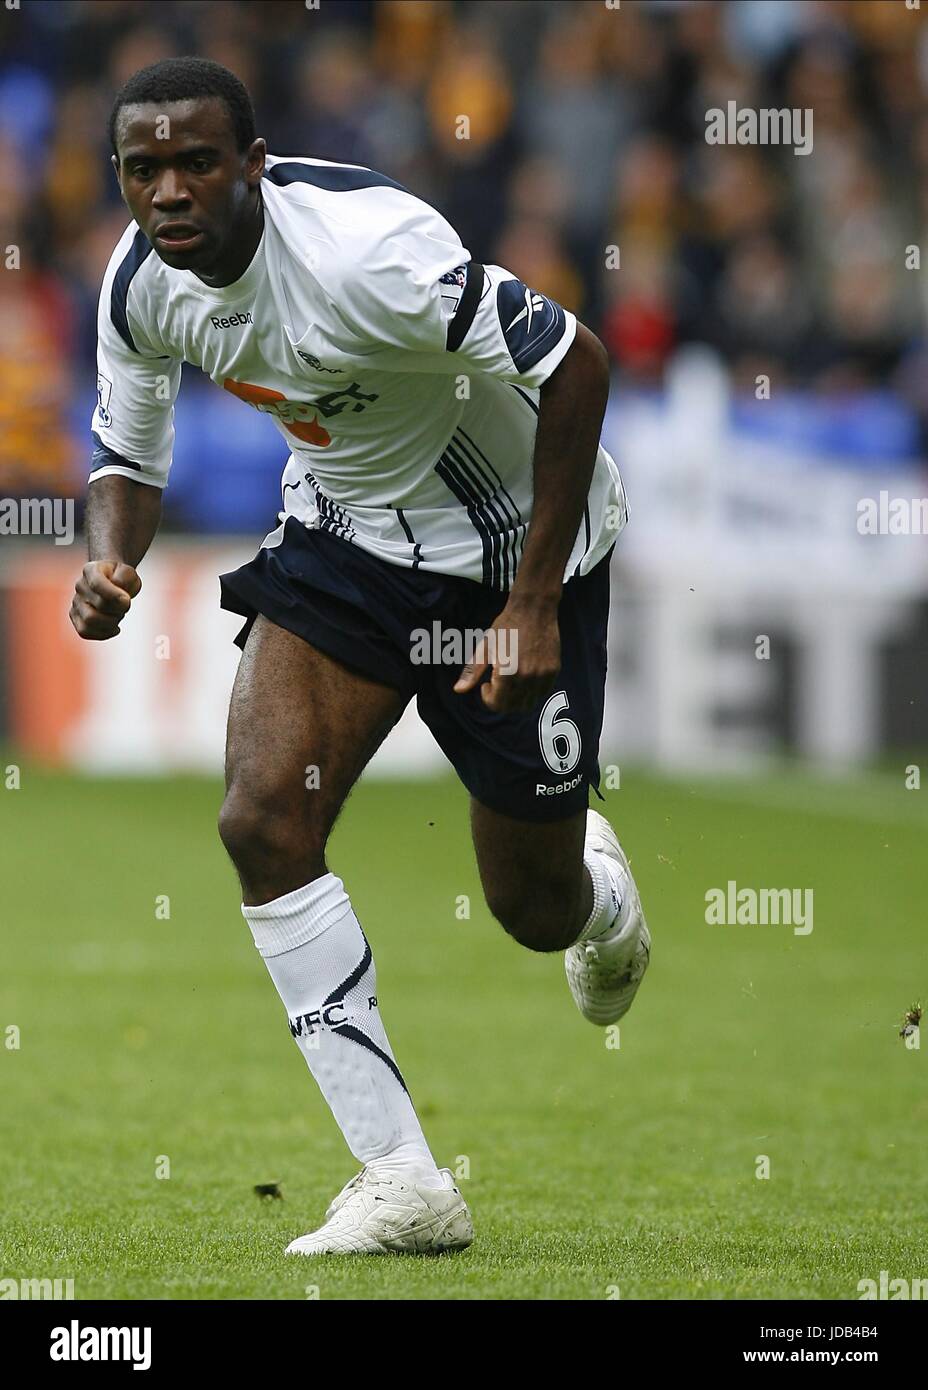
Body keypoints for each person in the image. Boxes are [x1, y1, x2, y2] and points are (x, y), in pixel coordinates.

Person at [70, 57, 650, 1256]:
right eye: (143, 169)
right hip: (341, 540)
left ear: (253, 167)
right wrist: (110, 556)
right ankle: (403, 1180)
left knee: (530, 911)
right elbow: (126, 450)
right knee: (261, 819)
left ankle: (593, 893)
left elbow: (576, 362)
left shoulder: (368, 260)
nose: (169, 192)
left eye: (195, 163)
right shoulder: (137, 284)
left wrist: (534, 598)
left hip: (506, 554)